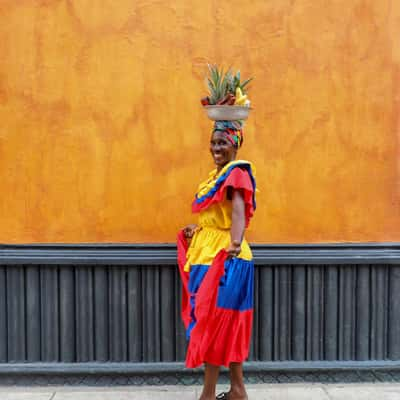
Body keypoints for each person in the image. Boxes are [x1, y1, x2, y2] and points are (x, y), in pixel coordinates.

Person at [177, 120, 257, 400]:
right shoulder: (218, 175)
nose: (216, 148)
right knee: (225, 322)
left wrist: (234, 243)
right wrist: (198, 229)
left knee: (214, 322)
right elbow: (218, 214)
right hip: (211, 252)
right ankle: (237, 390)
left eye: (222, 142)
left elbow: (238, 210)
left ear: (235, 143)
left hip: (225, 256)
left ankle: (208, 395)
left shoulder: (237, 173)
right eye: (213, 142)